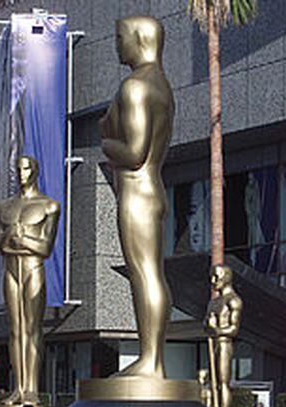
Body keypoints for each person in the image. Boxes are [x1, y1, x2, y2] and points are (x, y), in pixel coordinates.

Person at [100, 16, 174, 379]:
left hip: (136, 191)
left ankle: (150, 360)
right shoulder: (161, 85)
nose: (117, 45)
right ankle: (153, 358)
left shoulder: (135, 87)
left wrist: (103, 143)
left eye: (119, 37)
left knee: (143, 274)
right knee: (151, 273)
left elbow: (133, 152)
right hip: (153, 188)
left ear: (138, 38)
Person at [0, 156, 60, 406]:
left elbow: (45, 248)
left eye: (26, 169)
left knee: (32, 328)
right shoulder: (4, 207)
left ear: (35, 171)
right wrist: (15, 240)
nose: (22, 174)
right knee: (15, 329)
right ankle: (18, 387)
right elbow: (1, 246)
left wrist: (19, 240)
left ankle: (31, 388)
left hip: (34, 269)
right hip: (11, 270)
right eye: (19, 169)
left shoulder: (49, 206)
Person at [204, 265, 243, 407]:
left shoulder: (234, 301)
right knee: (213, 385)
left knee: (223, 383)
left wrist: (215, 328)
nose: (213, 281)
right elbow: (205, 326)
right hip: (213, 345)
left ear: (226, 277)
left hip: (224, 344)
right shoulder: (213, 302)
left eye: (216, 277)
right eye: (212, 277)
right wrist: (210, 326)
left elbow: (233, 329)